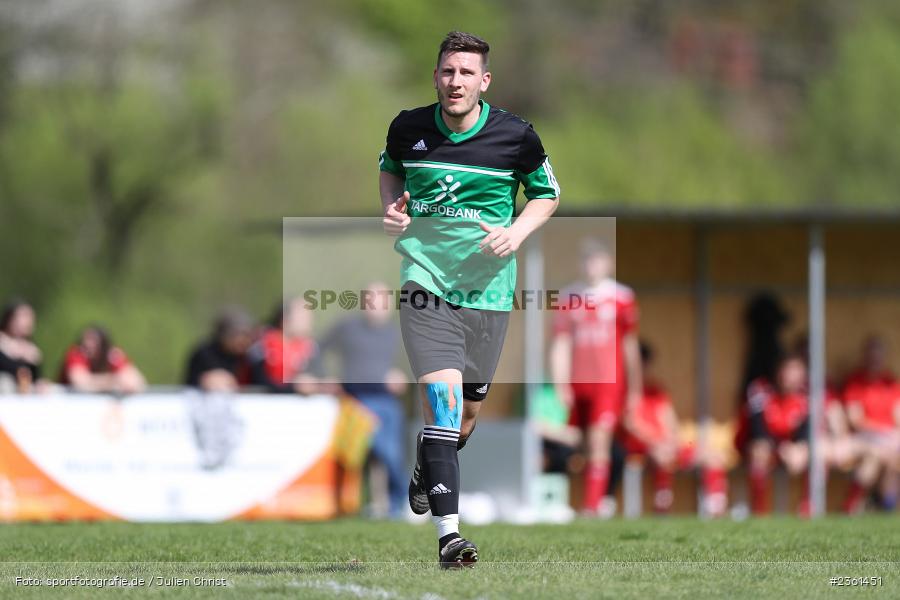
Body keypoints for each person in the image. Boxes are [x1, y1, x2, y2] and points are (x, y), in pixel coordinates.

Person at [380, 31, 559, 567]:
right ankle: (449, 537)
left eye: (465, 73)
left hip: (489, 295)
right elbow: (390, 169)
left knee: (465, 419)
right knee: (444, 405)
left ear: (484, 81)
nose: (454, 81)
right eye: (446, 71)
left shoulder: (516, 136)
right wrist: (392, 209)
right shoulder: (407, 127)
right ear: (435, 76)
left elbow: (547, 194)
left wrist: (518, 233)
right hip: (425, 285)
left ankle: (424, 468)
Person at [550, 238, 642, 517]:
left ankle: (593, 506)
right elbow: (561, 344)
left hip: (608, 382)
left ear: (608, 263)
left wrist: (634, 387)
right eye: (587, 260)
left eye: (598, 259)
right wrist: (560, 383)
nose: (592, 265)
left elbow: (629, 345)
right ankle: (583, 500)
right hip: (579, 381)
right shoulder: (569, 298)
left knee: (600, 439)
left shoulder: (622, 297)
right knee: (580, 441)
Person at [315, 282, 409, 519]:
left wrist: (401, 374)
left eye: (382, 300)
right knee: (360, 455)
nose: (377, 305)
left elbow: (413, 363)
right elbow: (316, 350)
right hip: (356, 400)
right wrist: (325, 378)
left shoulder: (396, 333)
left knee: (391, 454)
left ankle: (396, 505)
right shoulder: (347, 328)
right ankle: (352, 504)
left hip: (387, 401)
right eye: (372, 299)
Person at [619, 342, 728, 516]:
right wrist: (657, 442)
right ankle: (662, 505)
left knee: (712, 455)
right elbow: (630, 425)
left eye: (644, 364)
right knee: (662, 455)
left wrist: (672, 441)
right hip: (639, 450)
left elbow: (671, 423)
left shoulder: (657, 391)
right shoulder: (623, 394)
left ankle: (715, 508)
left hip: (665, 446)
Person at [744, 352, 810, 516]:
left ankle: (807, 509)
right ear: (779, 371)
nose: (791, 376)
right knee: (759, 451)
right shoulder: (760, 389)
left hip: (787, 449)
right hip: (758, 444)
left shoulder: (806, 397)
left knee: (809, 452)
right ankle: (759, 512)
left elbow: (805, 432)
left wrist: (798, 447)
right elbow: (757, 430)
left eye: (796, 371)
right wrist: (781, 448)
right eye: (788, 370)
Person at [841, 336, 900, 513]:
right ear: (864, 356)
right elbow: (855, 420)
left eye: (878, 354)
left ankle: (871, 504)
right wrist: (884, 431)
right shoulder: (855, 382)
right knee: (877, 455)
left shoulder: (891, 382)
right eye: (871, 354)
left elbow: (898, 416)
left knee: (887, 457)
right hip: (865, 437)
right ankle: (862, 505)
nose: (874, 359)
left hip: (888, 439)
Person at [248, 298, 320, 395]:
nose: (309, 323)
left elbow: (318, 375)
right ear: (285, 320)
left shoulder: (309, 348)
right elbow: (260, 382)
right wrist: (294, 387)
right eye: (303, 317)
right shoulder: (262, 345)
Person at [59, 325, 146, 393]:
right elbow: (81, 383)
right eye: (85, 340)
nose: (87, 344)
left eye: (93, 341)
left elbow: (138, 383)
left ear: (103, 345)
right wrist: (113, 381)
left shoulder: (112, 355)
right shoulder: (76, 353)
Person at [185, 307, 254, 392]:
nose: (243, 340)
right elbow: (192, 382)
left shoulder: (250, 356)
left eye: (247, 336)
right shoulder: (205, 354)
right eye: (238, 335)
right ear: (223, 335)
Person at [0, 299, 44, 393]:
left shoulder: (30, 347)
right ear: (10, 319)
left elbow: (35, 377)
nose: (28, 321)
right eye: (23, 316)